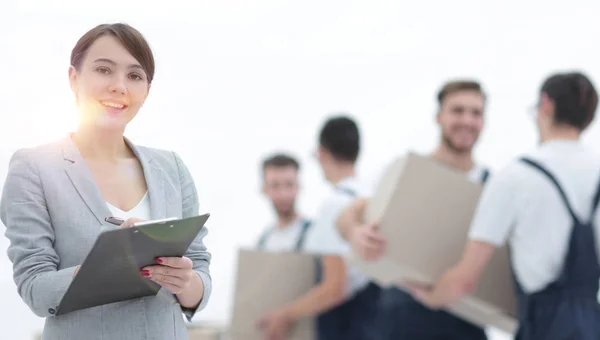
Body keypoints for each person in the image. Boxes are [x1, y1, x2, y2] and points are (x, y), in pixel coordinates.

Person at [0, 23, 211, 340]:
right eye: (103, 70)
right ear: (74, 78)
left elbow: (200, 276)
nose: (119, 86)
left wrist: (187, 283)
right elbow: (34, 288)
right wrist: (106, 267)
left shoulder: (171, 167)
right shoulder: (33, 167)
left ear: (147, 90)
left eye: (135, 76)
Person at [402, 72, 600, 340]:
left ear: (546, 105)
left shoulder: (516, 176)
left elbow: (465, 280)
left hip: (542, 326)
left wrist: (431, 296)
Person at [336, 80, 490, 339]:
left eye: (476, 113)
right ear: (439, 117)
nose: (467, 120)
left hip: (466, 323)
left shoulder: (492, 185)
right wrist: (355, 233)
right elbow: (348, 215)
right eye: (458, 110)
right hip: (402, 318)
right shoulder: (408, 171)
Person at [258, 115, 381, 340]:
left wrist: (284, 315)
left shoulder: (335, 205)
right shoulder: (373, 198)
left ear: (321, 154)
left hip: (346, 328)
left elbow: (335, 288)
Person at [256, 153, 312, 252]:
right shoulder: (263, 243)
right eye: (275, 185)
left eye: (289, 184)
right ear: (264, 189)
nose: (283, 194)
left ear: (298, 186)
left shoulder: (314, 234)